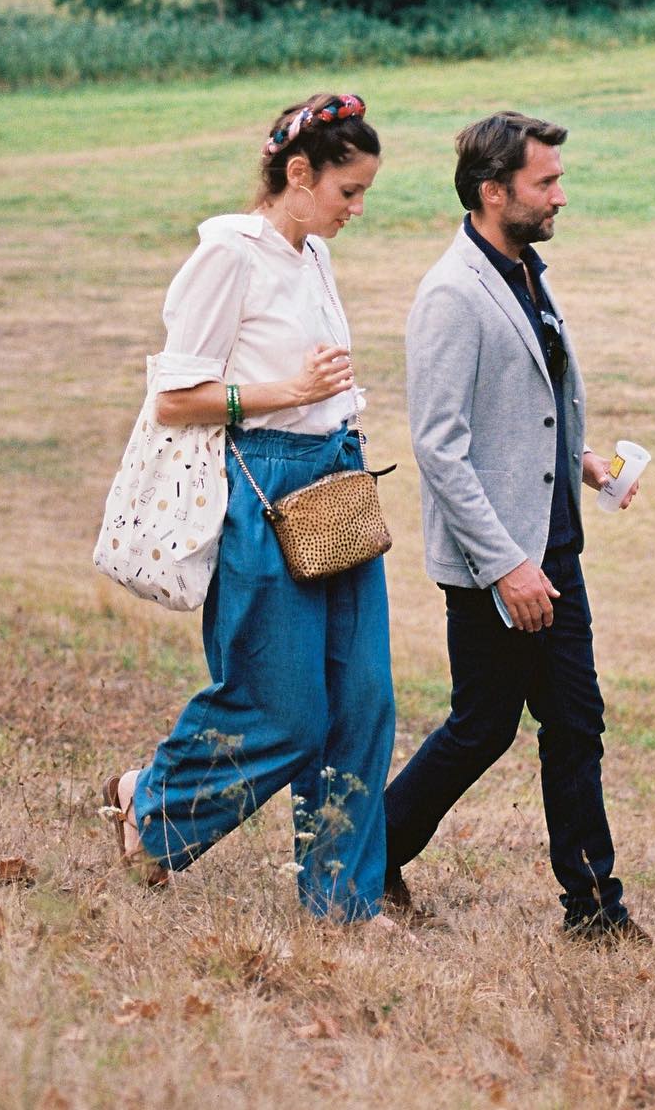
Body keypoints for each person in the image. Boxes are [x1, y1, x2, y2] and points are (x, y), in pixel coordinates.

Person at [101, 92, 397, 925]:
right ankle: (152, 803)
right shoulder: (227, 254)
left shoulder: (310, 256)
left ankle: (341, 905)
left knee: (364, 701)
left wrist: (328, 407)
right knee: (285, 709)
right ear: (298, 175)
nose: (358, 210)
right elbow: (175, 398)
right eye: (349, 192)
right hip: (262, 490)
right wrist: (287, 392)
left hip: (334, 483)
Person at [383, 111, 647, 942]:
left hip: (553, 546)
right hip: (497, 563)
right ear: (494, 192)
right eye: (547, 182)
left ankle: (594, 911)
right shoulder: (453, 295)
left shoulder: (526, 271)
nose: (561, 196)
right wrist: (506, 567)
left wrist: (587, 462)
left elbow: (529, 409)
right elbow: (441, 448)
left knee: (574, 723)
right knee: (483, 727)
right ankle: (360, 854)